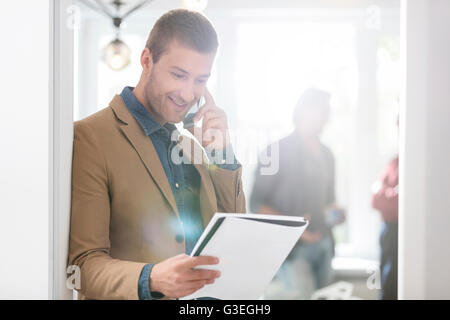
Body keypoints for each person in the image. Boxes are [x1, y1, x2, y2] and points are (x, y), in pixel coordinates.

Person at [68, 9, 246, 300]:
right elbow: (81, 266)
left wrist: (222, 154)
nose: (189, 94)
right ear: (146, 60)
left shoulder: (191, 144)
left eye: (200, 80)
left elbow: (231, 237)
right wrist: (150, 278)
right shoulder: (90, 137)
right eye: (179, 75)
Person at [250, 88, 345, 299]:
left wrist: (337, 214)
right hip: (292, 251)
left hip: (325, 246)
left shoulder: (327, 154)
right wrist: (295, 227)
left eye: (328, 113)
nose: (327, 118)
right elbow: (256, 204)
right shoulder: (274, 151)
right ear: (304, 110)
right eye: (323, 112)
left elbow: (329, 201)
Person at [371, 155, 398, 300]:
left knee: (392, 286)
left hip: (400, 231)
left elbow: (400, 203)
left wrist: (385, 192)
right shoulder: (395, 162)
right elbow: (375, 199)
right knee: (385, 286)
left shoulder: (415, 164)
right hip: (388, 229)